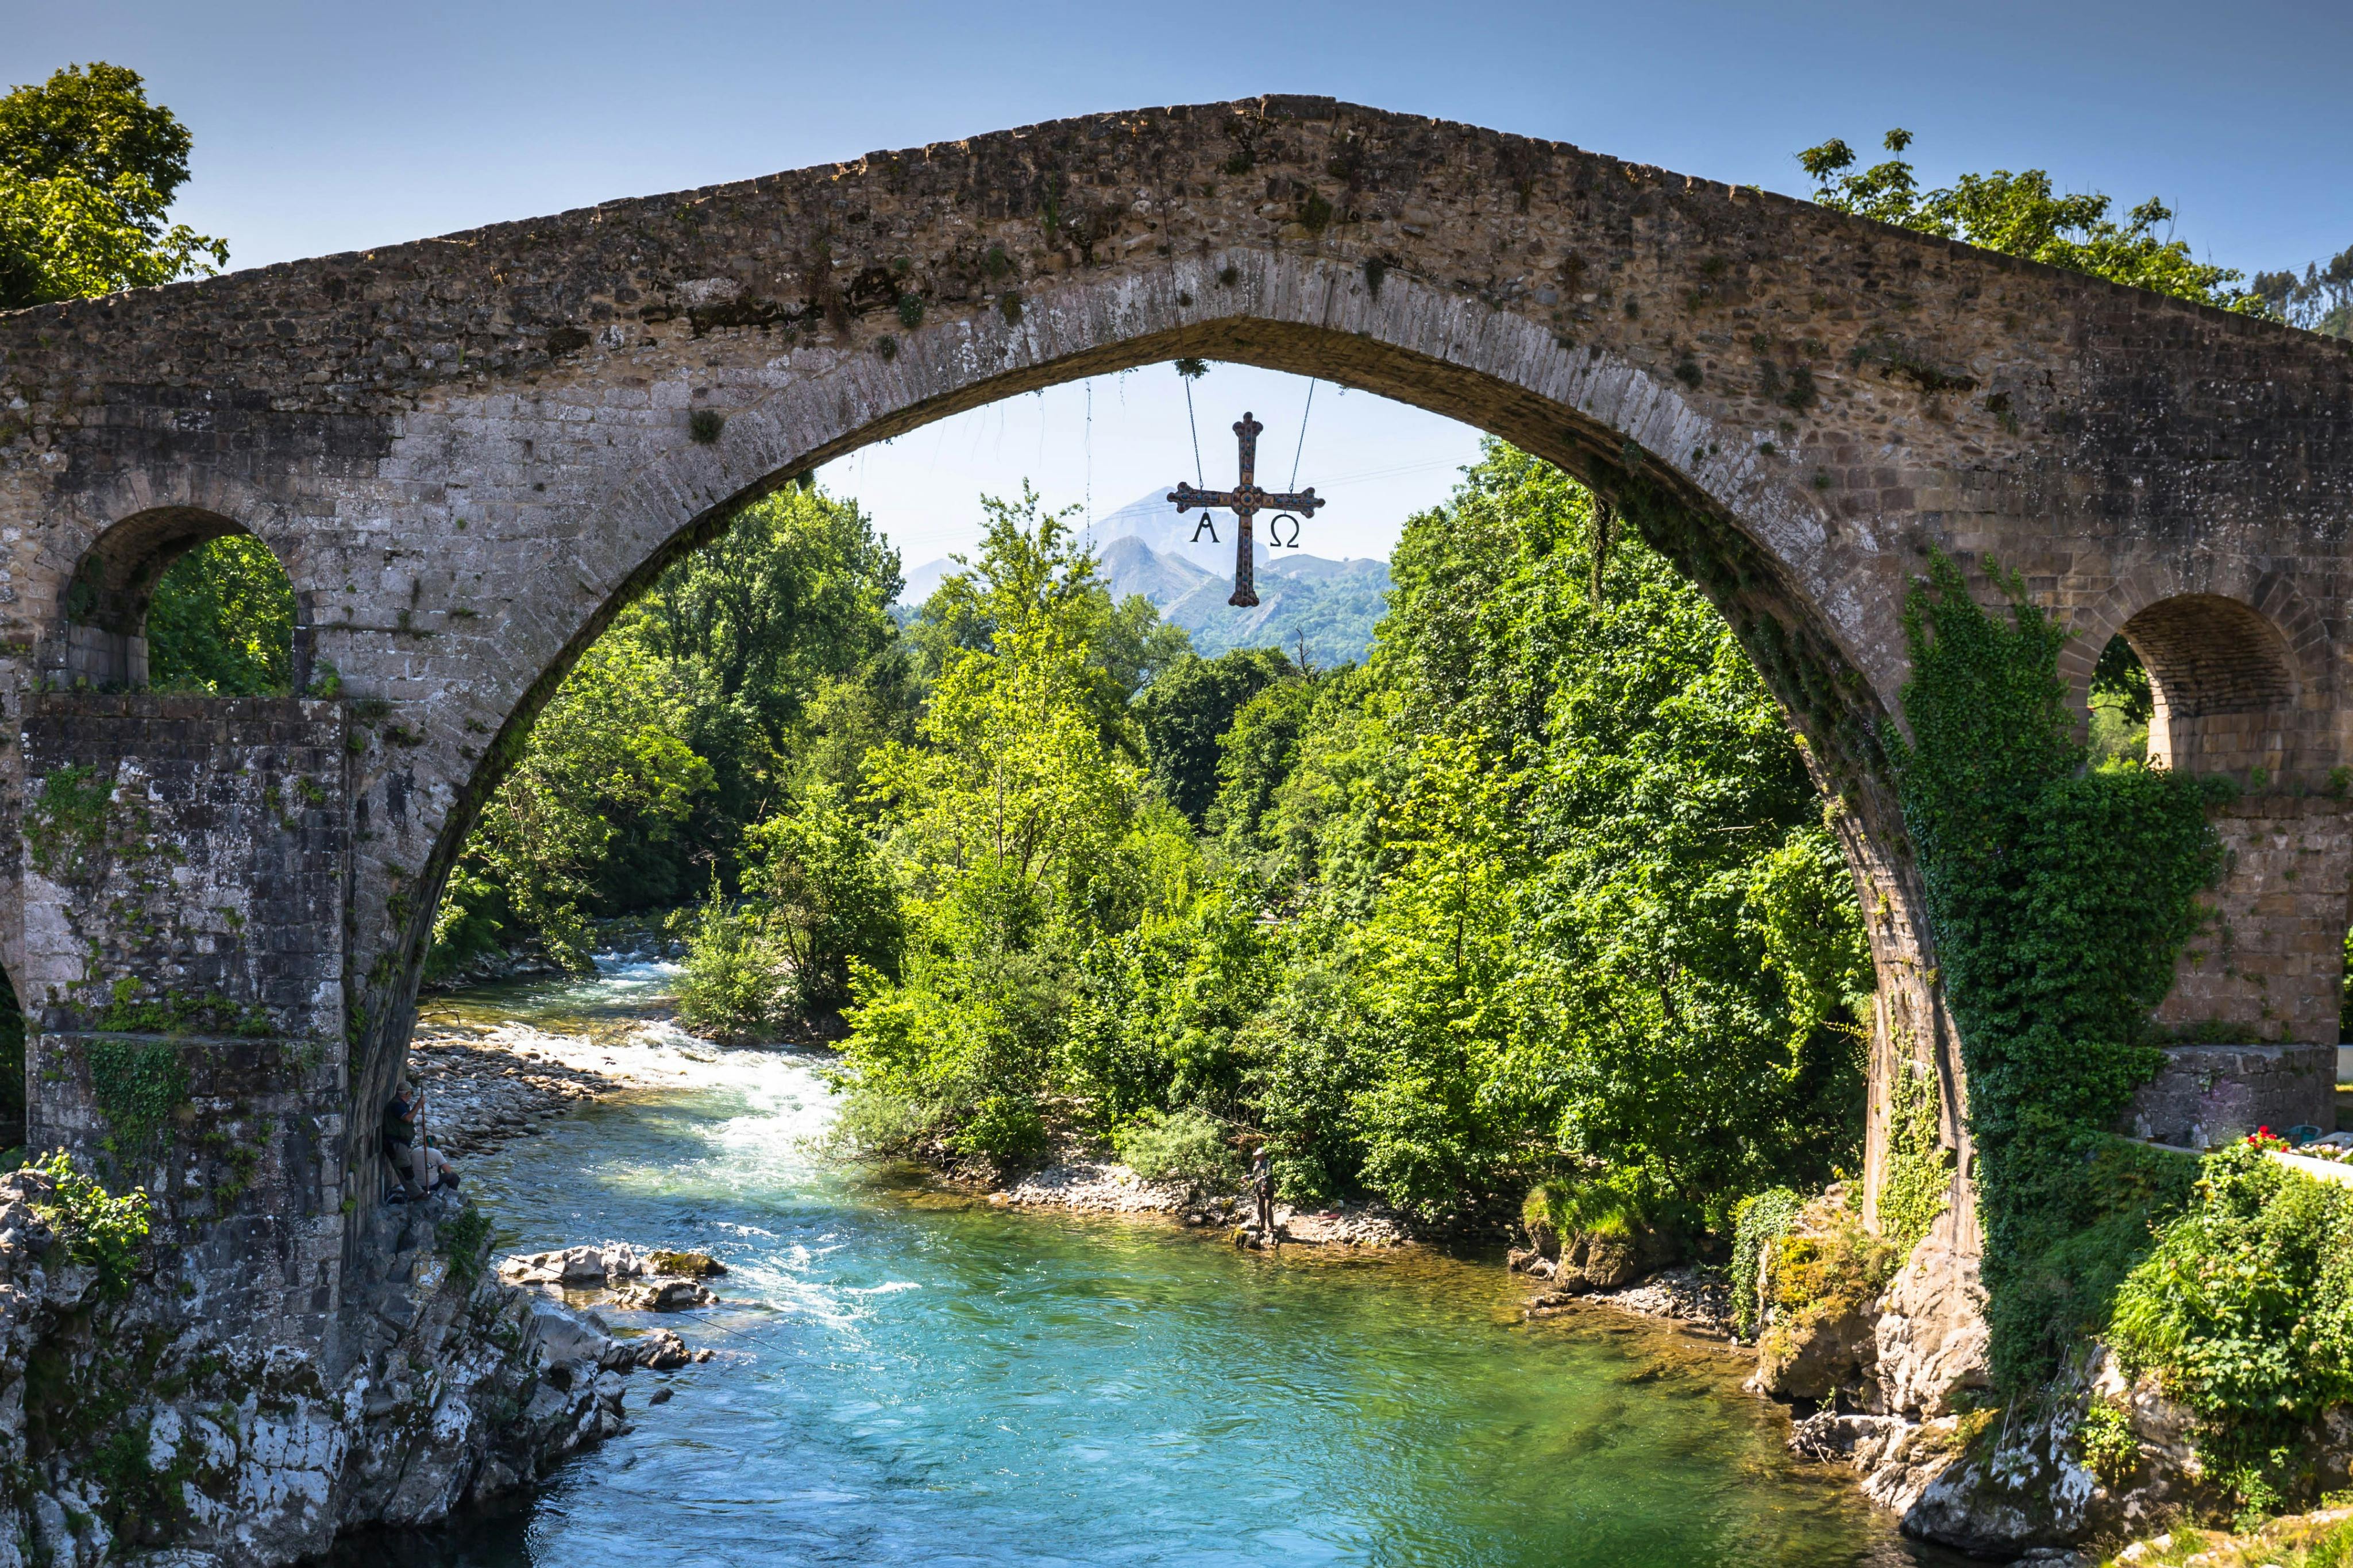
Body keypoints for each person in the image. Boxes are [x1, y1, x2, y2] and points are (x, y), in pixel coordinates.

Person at [383, 1077, 458, 1198]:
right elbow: (408, 1118)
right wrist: (419, 1104)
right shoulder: (396, 1105)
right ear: (407, 1094)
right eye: (410, 1094)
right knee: (405, 1171)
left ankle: (417, 1193)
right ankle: (417, 1195)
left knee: (406, 1169)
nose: (411, 1096)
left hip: (399, 1143)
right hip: (396, 1143)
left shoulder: (399, 1104)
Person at [1248, 1145, 1275, 1239]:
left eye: (1258, 1156)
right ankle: (1263, 1225)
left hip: (1269, 1190)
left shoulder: (1268, 1163)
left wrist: (1262, 1178)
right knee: (1260, 1208)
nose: (1257, 1157)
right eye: (1256, 1156)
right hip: (1259, 1190)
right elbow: (1253, 1175)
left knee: (1268, 1207)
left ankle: (1271, 1227)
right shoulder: (1256, 1164)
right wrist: (1247, 1177)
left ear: (1263, 1156)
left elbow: (1270, 1174)